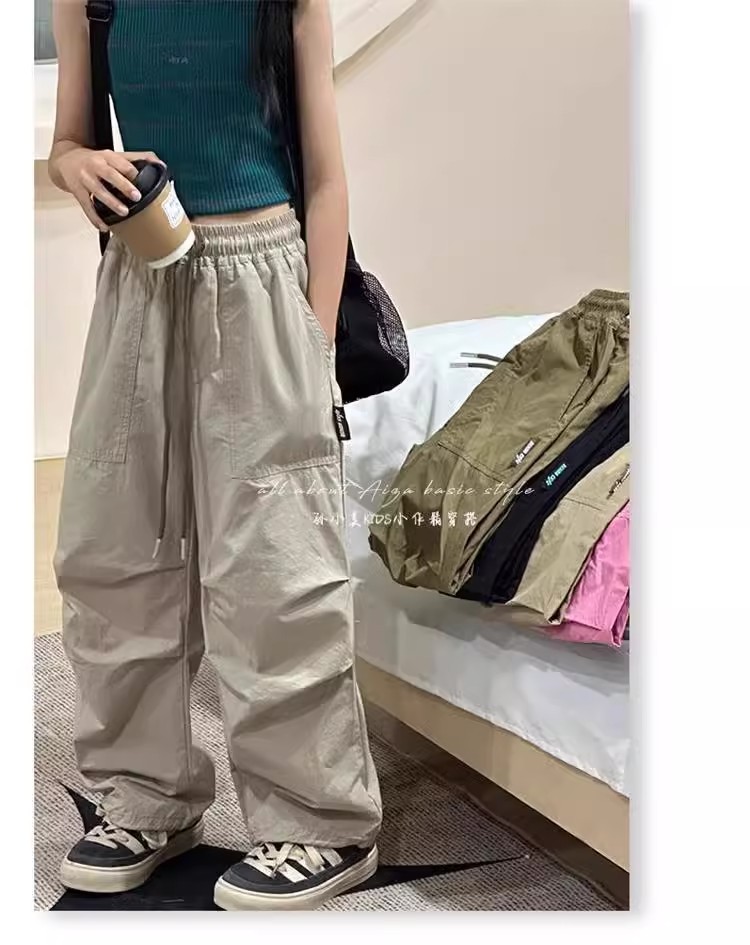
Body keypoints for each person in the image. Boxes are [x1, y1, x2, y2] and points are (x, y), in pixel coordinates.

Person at [49, 0, 382, 911]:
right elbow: (69, 142)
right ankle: (144, 797)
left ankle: (321, 821)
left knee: (275, 567)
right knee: (112, 551)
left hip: (264, 277)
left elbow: (326, 181)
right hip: (139, 278)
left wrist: (314, 344)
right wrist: (79, 167)